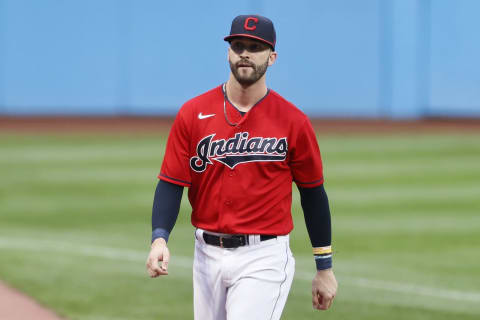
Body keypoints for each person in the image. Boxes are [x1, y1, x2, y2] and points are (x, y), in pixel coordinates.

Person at [146, 14, 337, 320]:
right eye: (238, 45)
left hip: (263, 256)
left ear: (272, 57)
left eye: (255, 47)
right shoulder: (193, 113)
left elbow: (313, 194)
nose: (245, 53)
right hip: (206, 255)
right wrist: (159, 238)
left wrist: (324, 267)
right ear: (228, 53)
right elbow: (170, 182)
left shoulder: (293, 121)